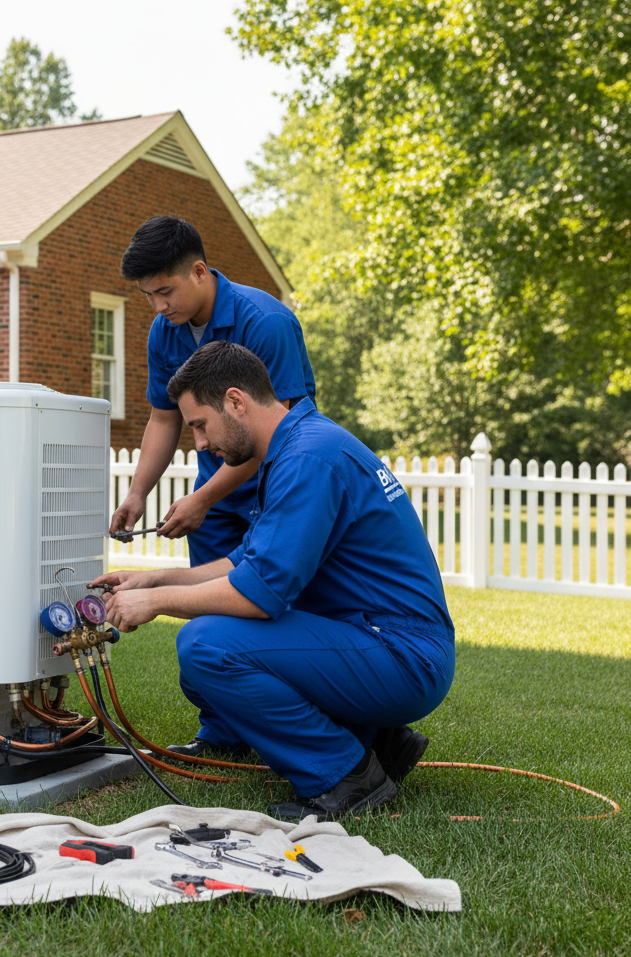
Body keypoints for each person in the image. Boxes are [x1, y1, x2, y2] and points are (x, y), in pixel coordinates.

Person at [92, 341, 455, 818]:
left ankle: (347, 774)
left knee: (206, 646)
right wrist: (153, 578)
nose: (199, 443)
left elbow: (259, 594)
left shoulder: (308, 459)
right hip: (380, 638)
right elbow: (244, 563)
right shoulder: (299, 445)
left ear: (237, 401)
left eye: (200, 424)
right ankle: (378, 739)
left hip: (401, 654)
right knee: (202, 676)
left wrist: (157, 602)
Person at [110, 215, 315, 566]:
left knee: (274, 603)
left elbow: (275, 430)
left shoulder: (266, 323)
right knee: (209, 608)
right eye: (148, 296)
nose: (158, 307)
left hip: (278, 490)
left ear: (199, 271)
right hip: (215, 495)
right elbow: (163, 419)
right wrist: (137, 493)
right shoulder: (163, 332)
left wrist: (202, 500)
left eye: (165, 292)